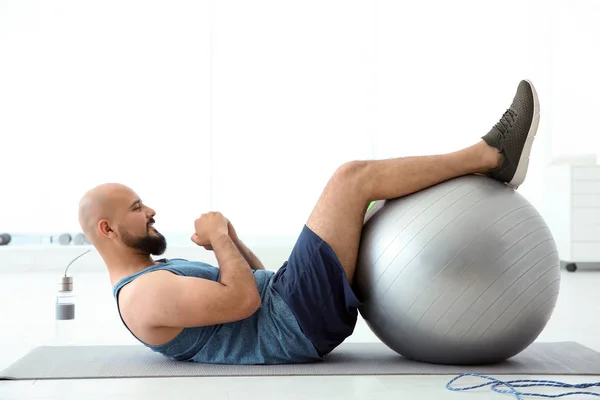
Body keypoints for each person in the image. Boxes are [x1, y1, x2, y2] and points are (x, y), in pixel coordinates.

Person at [78, 80, 539, 365]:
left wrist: (230, 240)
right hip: (296, 324)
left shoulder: (149, 281)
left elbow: (254, 285)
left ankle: (484, 160)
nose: (151, 210)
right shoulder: (142, 298)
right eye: (137, 208)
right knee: (351, 179)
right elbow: (241, 302)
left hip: (287, 306)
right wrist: (217, 236)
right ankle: (491, 155)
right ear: (107, 229)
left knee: (365, 203)